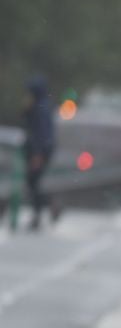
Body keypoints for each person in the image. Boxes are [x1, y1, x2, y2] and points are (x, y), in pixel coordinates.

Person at [21, 77, 56, 231]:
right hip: (40, 150)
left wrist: (38, 154)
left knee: (33, 182)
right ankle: (50, 207)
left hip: (39, 152)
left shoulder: (40, 107)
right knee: (33, 182)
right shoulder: (40, 105)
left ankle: (40, 213)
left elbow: (41, 133)